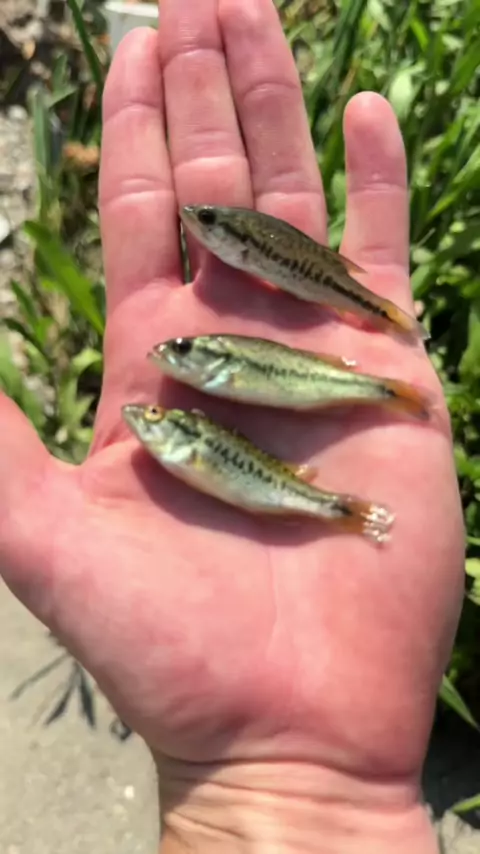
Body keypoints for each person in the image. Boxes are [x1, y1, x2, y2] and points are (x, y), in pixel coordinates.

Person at [0, 0, 466, 851]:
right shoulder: (199, 385)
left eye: (210, 224)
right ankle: (354, 459)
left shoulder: (226, 322)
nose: (200, 227)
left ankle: (380, 377)